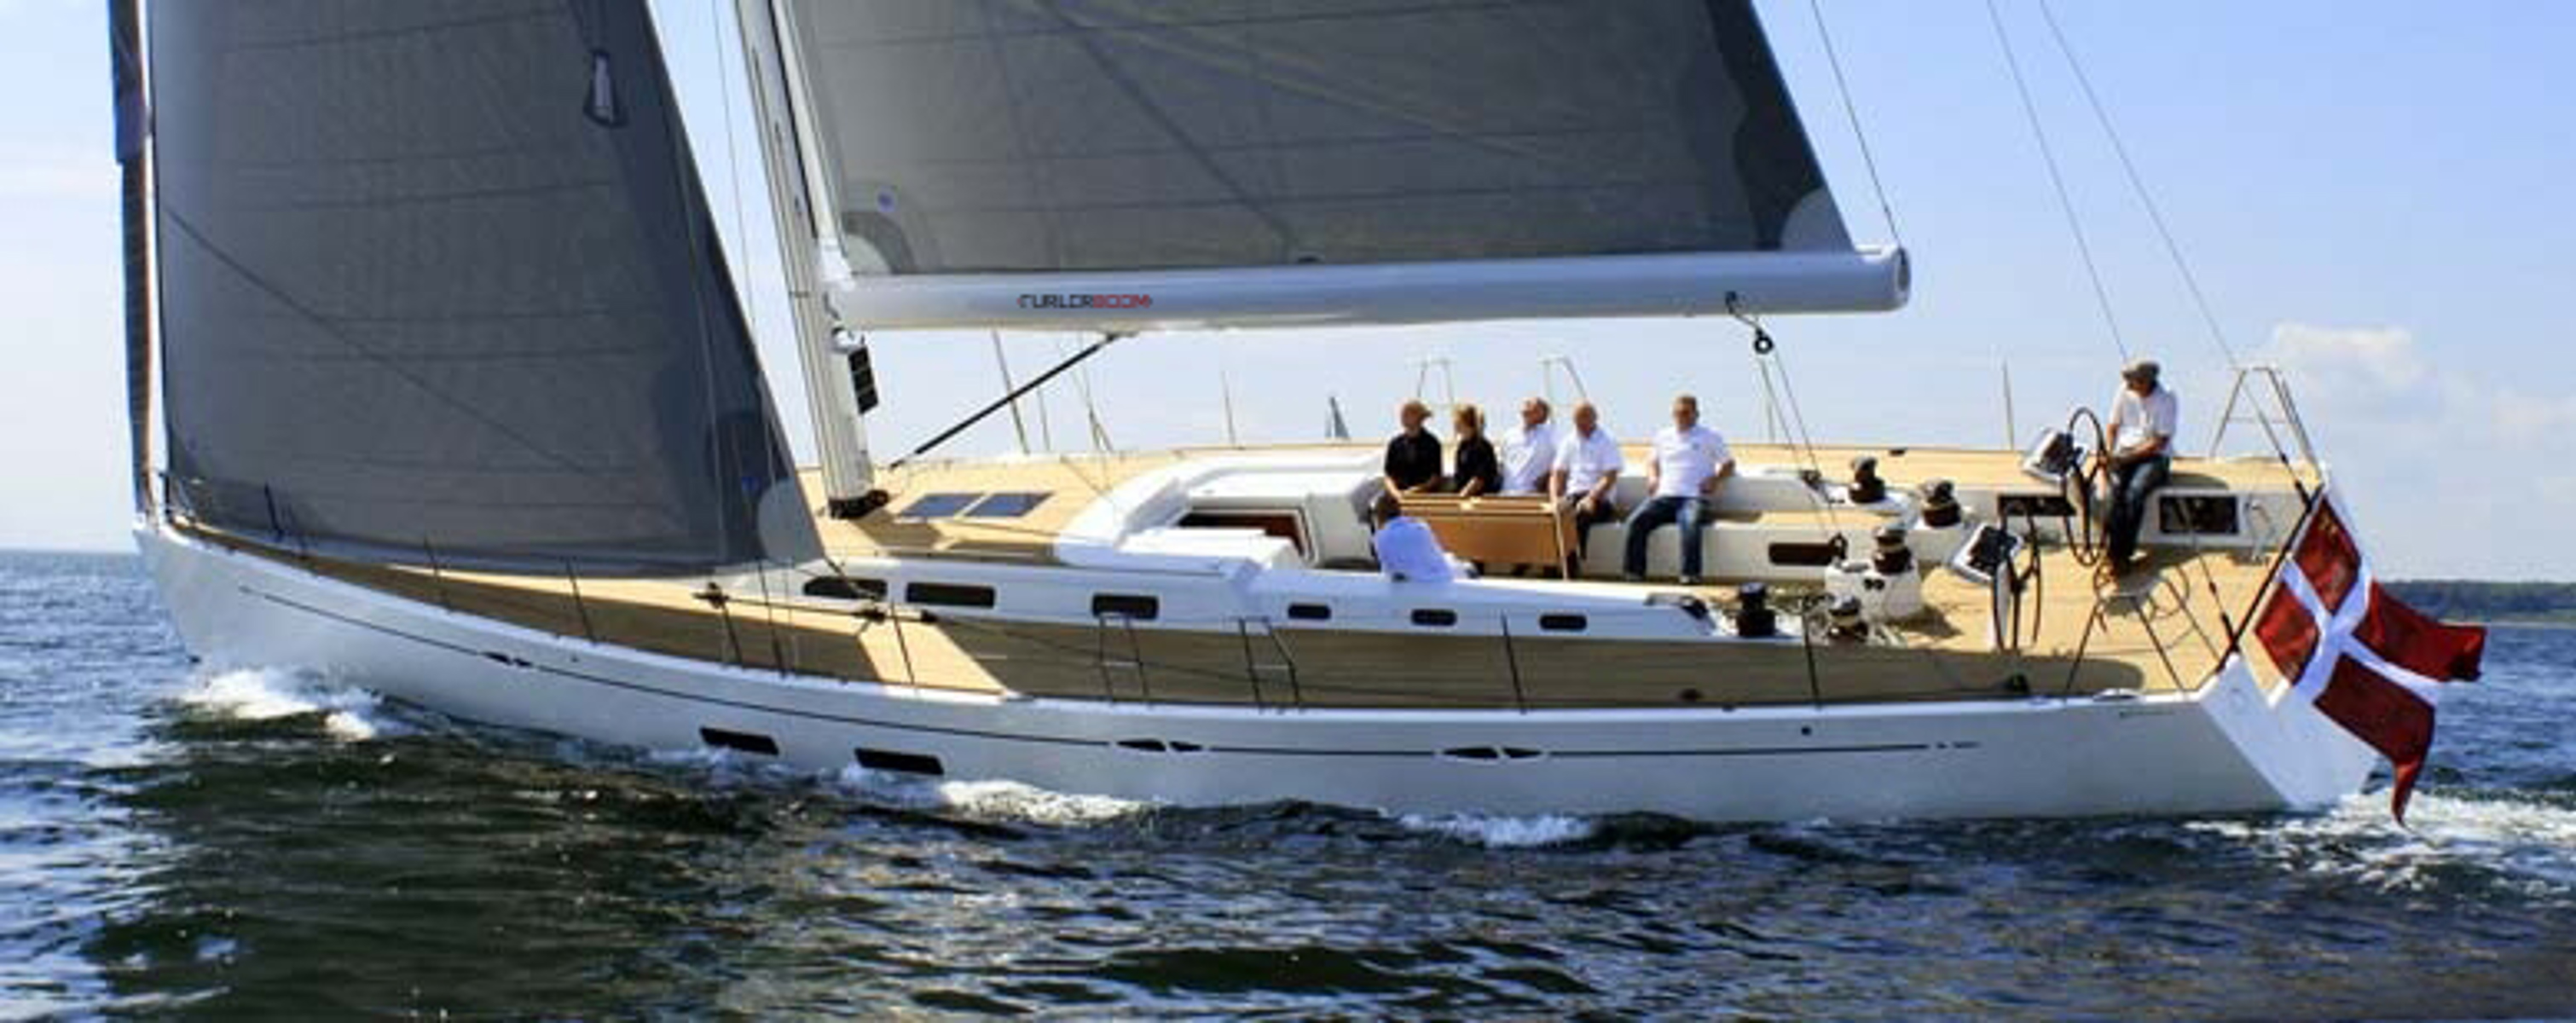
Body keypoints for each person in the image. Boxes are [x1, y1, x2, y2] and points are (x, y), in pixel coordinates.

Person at [1622, 394, 1734, 584]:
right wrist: (1653, 477)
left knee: (1690, 525)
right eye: (1677, 413)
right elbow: (1652, 462)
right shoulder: (1662, 436)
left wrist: (1714, 480)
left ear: (1696, 414)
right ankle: (1634, 573)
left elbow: (1729, 464)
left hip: (1693, 498)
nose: (1681, 416)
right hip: (1664, 497)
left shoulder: (1710, 436)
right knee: (1635, 522)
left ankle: (1690, 575)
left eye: (1686, 412)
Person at [2102, 358, 2179, 575]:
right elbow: (2113, 426)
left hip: (2154, 457)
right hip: (2123, 453)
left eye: (2133, 382)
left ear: (2147, 381)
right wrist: (2109, 452)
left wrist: (2126, 459)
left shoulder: (2167, 398)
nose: (2128, 385)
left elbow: (2160, 441)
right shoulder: (2124, 391)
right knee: (2113, 495)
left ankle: (2123, 555)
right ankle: (2112, 551)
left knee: (2134, 494)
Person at [1548, 402, 1624, 575]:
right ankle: (1551, 565)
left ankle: (1571, 567)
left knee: (1577, 517)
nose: (1580, 423)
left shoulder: (1607, 440)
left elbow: (1610, 476)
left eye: (1584, 418)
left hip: (1600, 498)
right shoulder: (1569, 441)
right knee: (1555, 516)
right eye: (1577, 419)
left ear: (1594, 418)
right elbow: (1558, 473)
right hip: (1573, 496)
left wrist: (1591, 498)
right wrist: (1555, 498)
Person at [1375, 399, 1443, 525]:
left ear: (1418, 417)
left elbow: (1435, 478)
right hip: (1396, 498)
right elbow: (1388, 475)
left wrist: (1412, 492)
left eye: (1406, 414)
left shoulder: (1432, 443)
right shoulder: (1395, 444)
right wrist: (1395, 493)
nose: (1402, 418)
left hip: (1422, 499)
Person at [1497, 397, 1560, 496]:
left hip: (1534, 495)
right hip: (1507, 494)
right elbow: (1501, 462)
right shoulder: (1509, 435)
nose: (1528, 408)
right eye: (1526, 405)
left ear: (1542, 414)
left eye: (1532, 406)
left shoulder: (1551, 435)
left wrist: (1546, 478)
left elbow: (1560, 464)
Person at [1371, 514, 1456, 582]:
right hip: (1444, 579)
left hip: (1417, 589)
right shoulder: (1421, 527)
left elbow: (1390, 572)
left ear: (1379, 515)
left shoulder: (1381, 537)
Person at [1450, 404, 1502, 497]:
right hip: (1464, 496)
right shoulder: (1463, 446)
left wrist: (1462, 496)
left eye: (1457, 420)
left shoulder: (1482, 446)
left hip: (1479, 498)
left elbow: (1479, 479)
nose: (1454, 424)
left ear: (1466, 421)